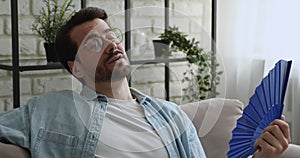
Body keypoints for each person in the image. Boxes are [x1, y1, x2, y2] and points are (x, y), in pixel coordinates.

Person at [0, 7, 291, 158]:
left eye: (111, 36)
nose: (110, 44)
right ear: (76, 69)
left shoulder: (172, 116)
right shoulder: (50, 109)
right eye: (93, 44)